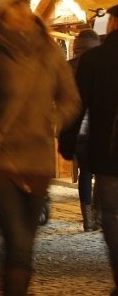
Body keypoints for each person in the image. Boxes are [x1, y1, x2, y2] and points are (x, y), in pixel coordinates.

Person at [0, 0, 80, 296]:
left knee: (23, 243)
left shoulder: (48, 50)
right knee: (17, 238)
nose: (24, 11)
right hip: (2, 158)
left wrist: (54, 119)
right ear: (2, 11)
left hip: (37, 159)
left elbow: (70, 98)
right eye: (15, 5)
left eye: (25, 3)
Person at [61, 4, 118, 294]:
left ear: (113, 24)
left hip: (108, 153)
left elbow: (77, 104)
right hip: (106, 150)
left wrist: (67, 140)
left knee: (113, 215)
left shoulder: (96, 60)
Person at [58, 28, 102, 231]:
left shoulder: (68, 68)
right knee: (102, 172)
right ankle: (98, 212)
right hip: (101, 128)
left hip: (78, 130)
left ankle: (88, 219)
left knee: (85, 172)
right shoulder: (103, 65)